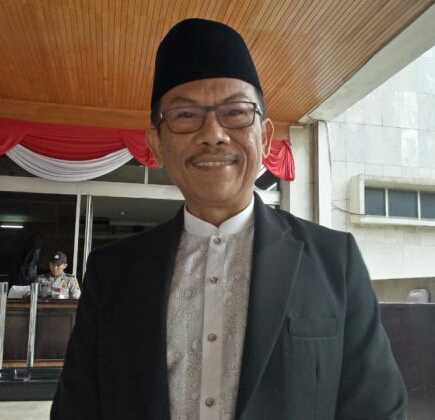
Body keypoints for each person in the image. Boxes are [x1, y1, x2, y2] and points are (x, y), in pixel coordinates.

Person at [51, 18, 407, 419]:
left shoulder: (333, 261)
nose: (213, 134)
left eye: (235, 112)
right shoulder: (113, 272)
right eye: (185, 115)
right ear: (157, 145)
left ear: (266, 138)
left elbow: (378, 410)